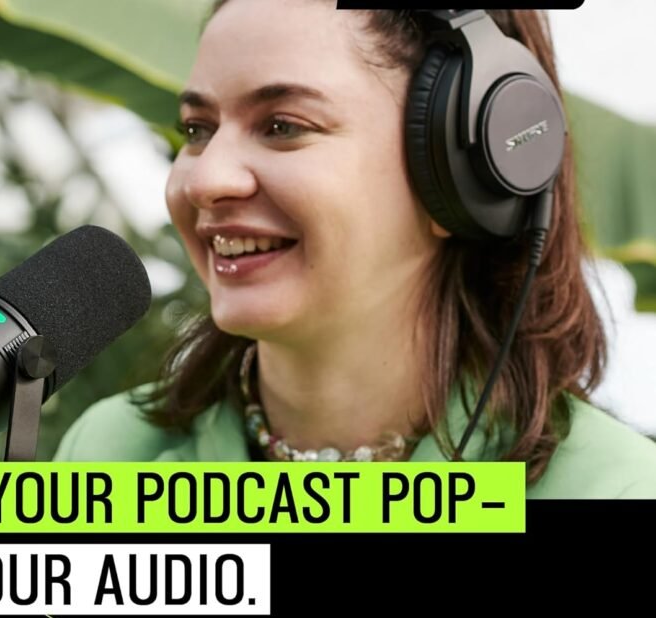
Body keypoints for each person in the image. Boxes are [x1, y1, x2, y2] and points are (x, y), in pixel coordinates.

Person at [54, 1, 656, 498]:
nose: (206, 179)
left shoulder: (608, 485)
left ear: (461, 174)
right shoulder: (112, 454)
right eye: (197, 129)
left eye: (283, 126)